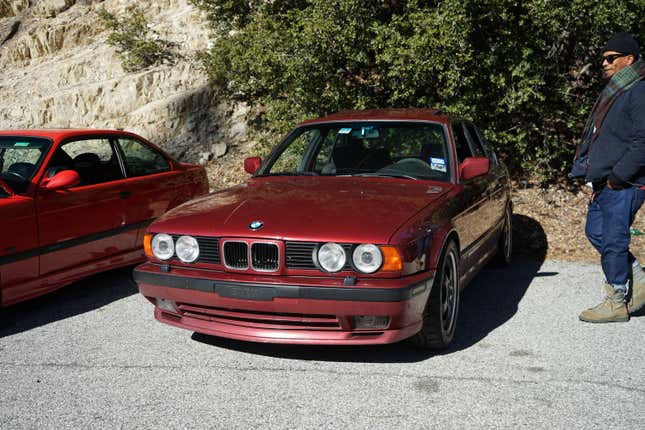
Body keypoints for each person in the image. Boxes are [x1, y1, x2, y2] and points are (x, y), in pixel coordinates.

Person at [577, 32, 645, 323]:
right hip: (606, 181)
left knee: (615, 239)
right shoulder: (617, 92)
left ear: (628, 60)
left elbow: (643, 141)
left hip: (625, 182)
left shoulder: (638, 92)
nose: (604, 63)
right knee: (596, 232)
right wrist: (595, 177)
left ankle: (617, 299)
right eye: (603, 58)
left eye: (610, 58)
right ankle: (638, 277)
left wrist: (618, 177)